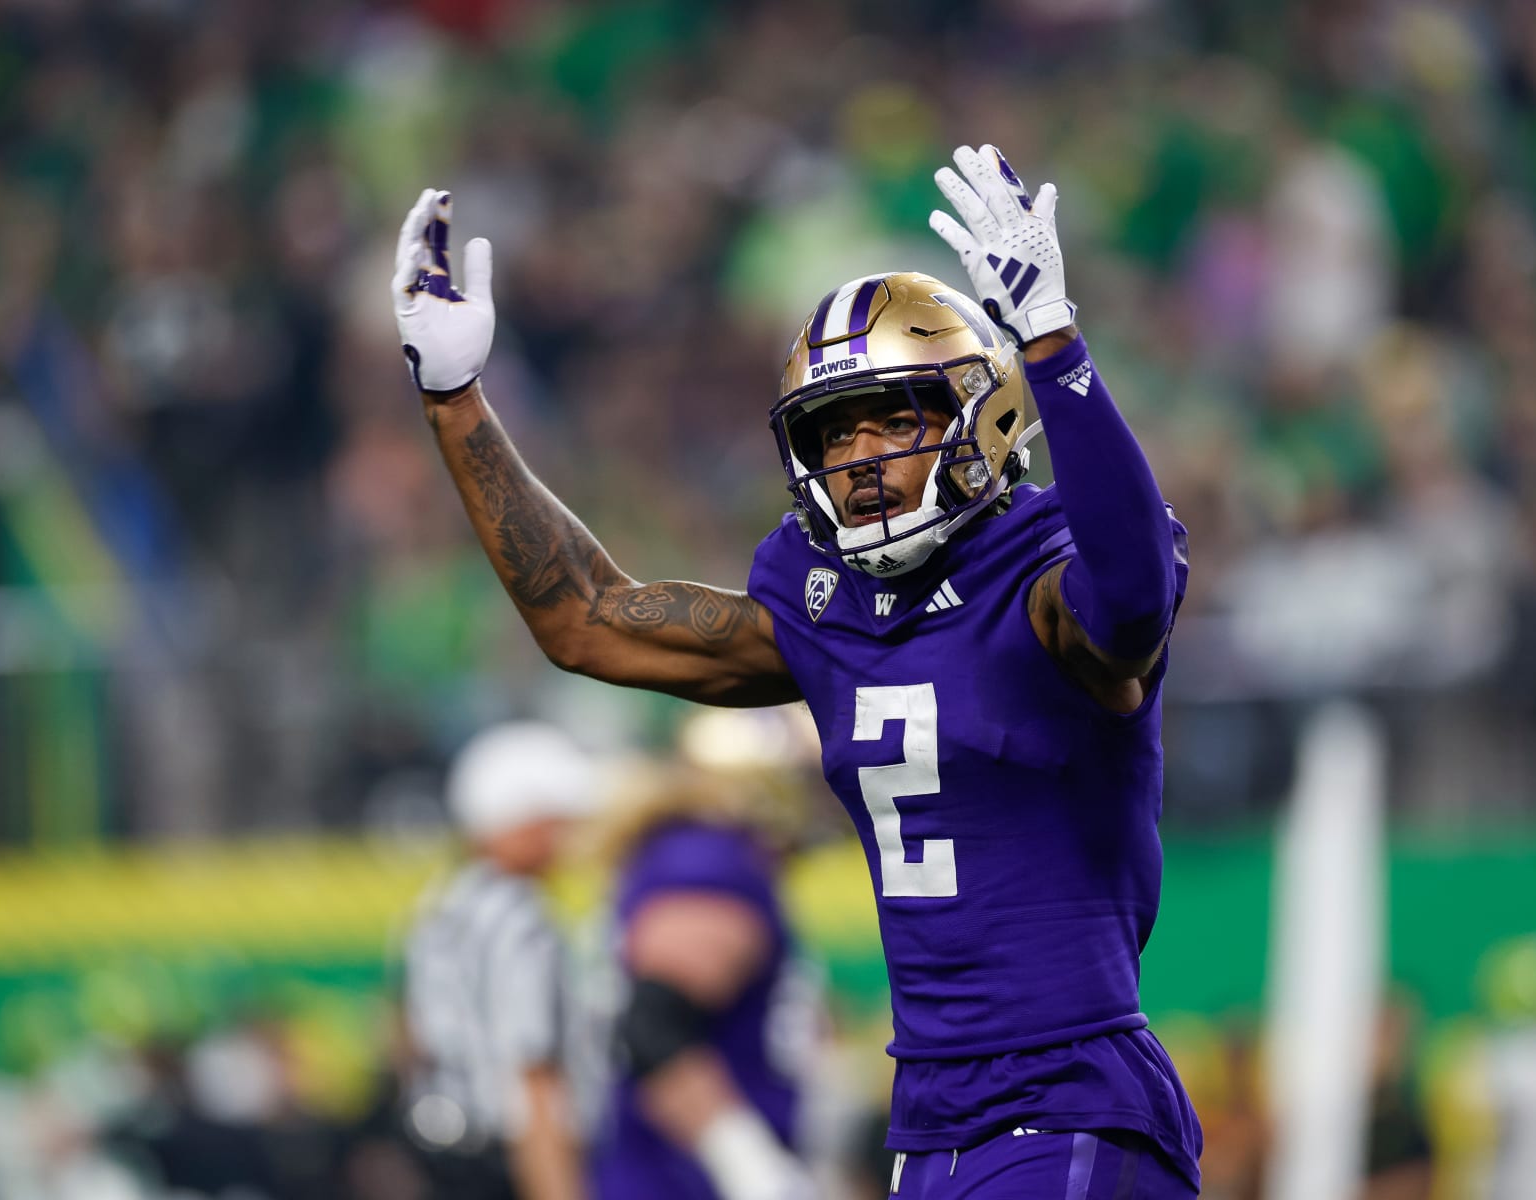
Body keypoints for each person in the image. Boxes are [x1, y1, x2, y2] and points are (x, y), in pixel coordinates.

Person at [393, 142, 1202, 1197]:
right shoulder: (826, 607)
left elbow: (1132, 600)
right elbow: (587, 620)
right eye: (833, 432)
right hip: (934, 1113)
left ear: (984, 416)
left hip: (1073, 1093)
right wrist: (455, 400)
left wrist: (1053, 344)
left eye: (896, 419)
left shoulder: (1042, 578)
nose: (861, 457)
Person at [590, 761, 819, 1200]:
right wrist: (749, 1164)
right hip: (685, 1177)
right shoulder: (707, 860)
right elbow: (655, 1025)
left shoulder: (678, 858)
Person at [399, 721, 597, 1200]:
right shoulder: (521, 919)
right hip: (512, 1160)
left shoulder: (440, 906)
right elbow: (532, 1073)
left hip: (448, 1155)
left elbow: (406, 1038)